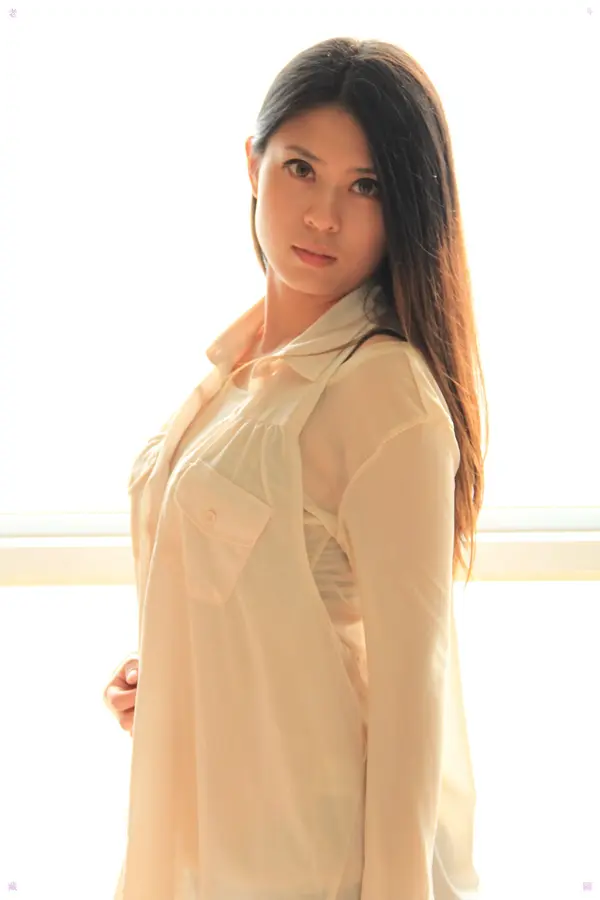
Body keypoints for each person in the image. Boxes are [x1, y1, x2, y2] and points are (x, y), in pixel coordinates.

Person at [104, 35, 488, 900]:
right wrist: (170, 679)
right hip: (196, 842)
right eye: (302, 169)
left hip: (310, 864)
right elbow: (273, 608)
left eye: (366, 186)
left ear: (406, 206)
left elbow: (411, 714)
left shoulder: (386, 395)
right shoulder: (234, 376)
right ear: (253, 164)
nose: (324, 216)